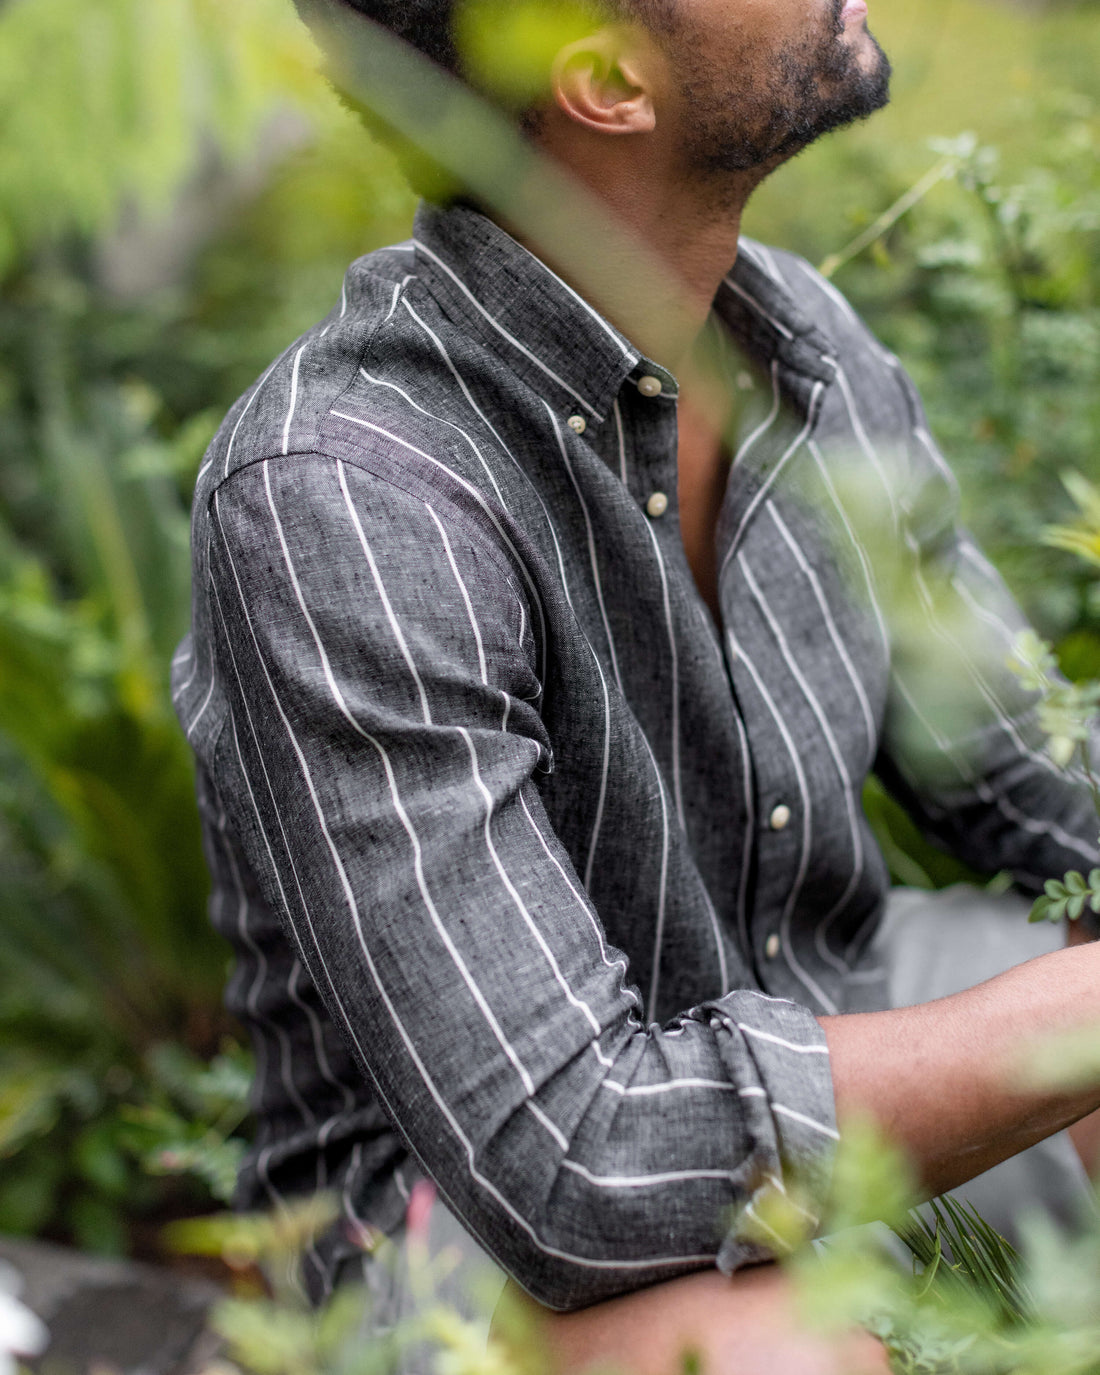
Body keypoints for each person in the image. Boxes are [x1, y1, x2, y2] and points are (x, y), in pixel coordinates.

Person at [171, 0, 1100, 1368]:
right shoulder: (347, 493)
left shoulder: (808, 351)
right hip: (454, 1228)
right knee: (780, 1358)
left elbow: (1044, 780)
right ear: (606, 82)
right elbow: (571, 1160)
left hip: (826, 1012)